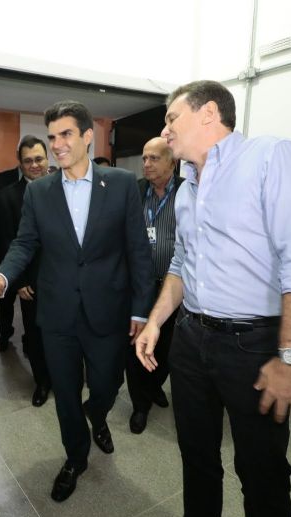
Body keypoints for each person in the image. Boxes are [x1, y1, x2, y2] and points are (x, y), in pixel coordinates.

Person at [134, 80, 291, 517]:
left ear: (208, 114)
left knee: (262, 474)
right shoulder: (186, 188)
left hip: (253, 345)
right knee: (196, 461)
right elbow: (181, 263)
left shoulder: (270, 157)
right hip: (191, 339)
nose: (165, 130)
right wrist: (157, 322)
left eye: (171, 118)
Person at [0, 100, 153, 502]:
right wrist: (4, 276)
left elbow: (138, 252)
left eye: (65, 135)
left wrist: (141, 310)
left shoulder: (122, 184)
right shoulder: (39, 193)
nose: (57, 145)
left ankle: (99, 413)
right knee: (65, 392)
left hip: (108, 311)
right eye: (52, 136)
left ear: (88, 137)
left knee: (108, 384)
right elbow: (24, 243)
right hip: (57, 314)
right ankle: (76, 456)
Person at [0, 135, 52, 406]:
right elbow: (2, 242)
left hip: (63, 280)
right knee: (35, 336)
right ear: (20, 165)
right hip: (30, 283)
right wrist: (19, 281)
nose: (34, 165)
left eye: (39, 159)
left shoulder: (64, 191)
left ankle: (62, 376)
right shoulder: (7, 197)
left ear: (48, 159)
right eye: (28, 161)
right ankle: (42, 382)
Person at [125, 137, 182, 434]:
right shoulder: (134, 191)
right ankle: (140, 405)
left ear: (171, 161)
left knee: (169, 349)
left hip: (175, 288)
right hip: (140, 287)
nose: (146, 164)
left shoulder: (188, 192)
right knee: (136, 344)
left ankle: (154, 385)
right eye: (144, 158)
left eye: (154, 158)